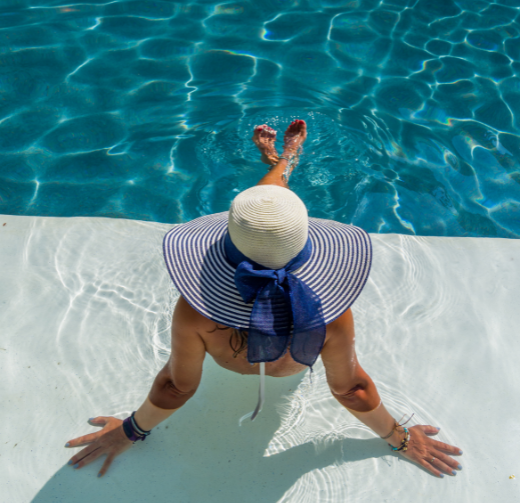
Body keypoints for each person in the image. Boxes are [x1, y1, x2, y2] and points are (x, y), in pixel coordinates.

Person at [65, 119, 463, 479]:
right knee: (269, 214)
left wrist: (130, 431)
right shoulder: (328, 313)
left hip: (232, 344)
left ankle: (281, 161)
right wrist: (402, 440)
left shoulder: (196, 311)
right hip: (290, 369)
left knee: (261, 214)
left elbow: (174, 386)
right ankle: (285, 159)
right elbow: (352, 389)